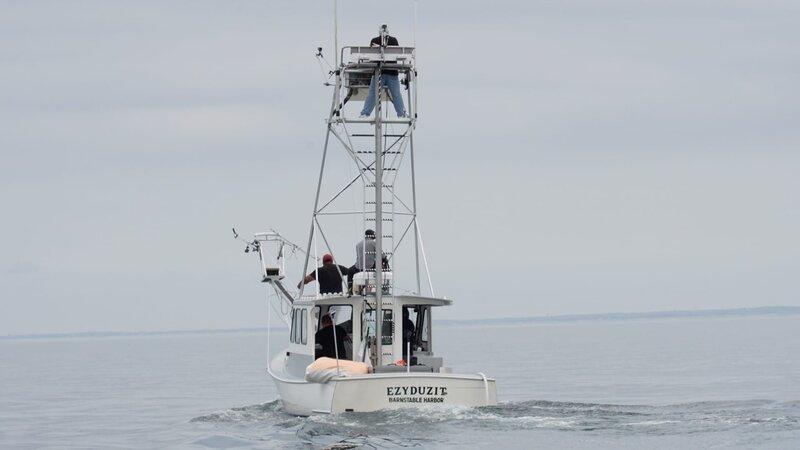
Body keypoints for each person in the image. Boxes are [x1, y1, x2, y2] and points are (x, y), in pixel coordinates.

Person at [359, 24, 407, 119]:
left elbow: (371, 56)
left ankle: (401, 113)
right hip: (382, 72)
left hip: (386, 72)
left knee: (393, 93)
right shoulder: (390, 40)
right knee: (380, 93)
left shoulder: (380, 40)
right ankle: (401, 113)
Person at [347, 229, 377, 294]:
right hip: (370, 267)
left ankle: (350, 290)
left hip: (358, 267)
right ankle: (374, 291)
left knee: (350, 271)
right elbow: (381, 256)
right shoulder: (374, 243)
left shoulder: (358, 244)